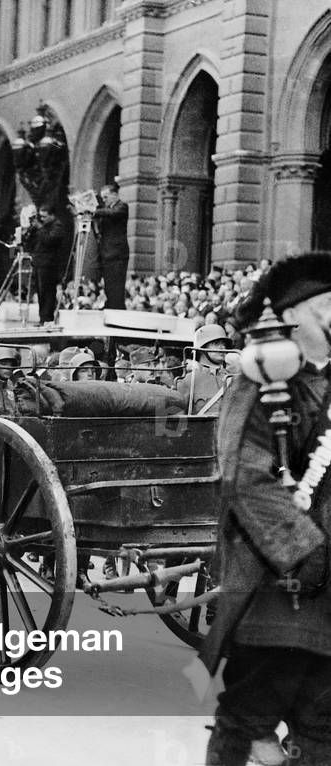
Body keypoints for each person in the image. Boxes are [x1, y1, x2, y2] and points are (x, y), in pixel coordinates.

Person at [200, 253, 331, 766]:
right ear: (295, 317)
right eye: (327, 306)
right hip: (279, 584)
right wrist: (305, 550)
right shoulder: (261, 383)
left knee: (321, 725)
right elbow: (244, 476)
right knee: (250, 713)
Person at [25, 206, 67, 325]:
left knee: (47, 293)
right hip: (39, 263)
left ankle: (47, 319)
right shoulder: (43, 227)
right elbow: (30, 242)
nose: (42, 219)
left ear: (52, 215)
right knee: (40, 293)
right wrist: (32, 229)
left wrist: (40, 227)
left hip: (49, 264)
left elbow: (50, 240)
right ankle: (42, 318)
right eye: (40, 217)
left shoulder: (57, 226)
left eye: (44, 216)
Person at [176, 324, 231, 414]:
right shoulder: (189, 380)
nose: (222, 348)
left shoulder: (231, 377)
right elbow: (179, 420)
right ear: (202, 348)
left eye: (224, 344)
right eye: (216, 343)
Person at [92, 182, 130, 310]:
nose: (104, 200)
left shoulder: (122, 206)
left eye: (106, 197)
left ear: (114, 195)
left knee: (116, 288)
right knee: (109, 287)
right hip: (106, 253)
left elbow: (113, 213)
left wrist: (94, 211)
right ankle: (111, 308)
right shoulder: (106, 211)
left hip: (117, 254)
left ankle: (117, 311)